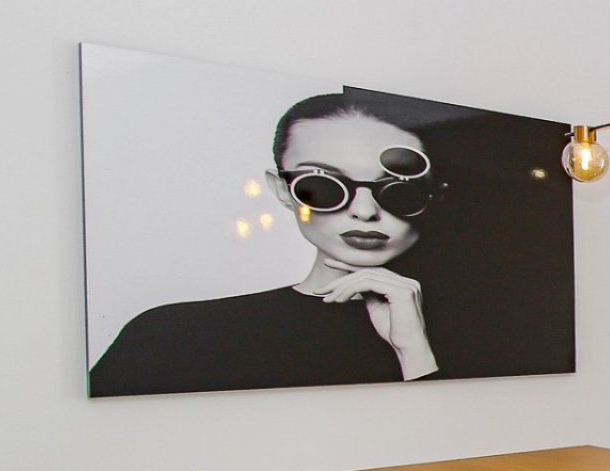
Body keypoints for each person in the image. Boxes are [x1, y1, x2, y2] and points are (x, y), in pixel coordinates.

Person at [89, 91, 454, 396]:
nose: (364, 211)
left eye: (399, 190)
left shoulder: (477, 336)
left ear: (435, 196)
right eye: (322, 185)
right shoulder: (173, 335)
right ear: (282, 190)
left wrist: (413, 351)